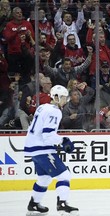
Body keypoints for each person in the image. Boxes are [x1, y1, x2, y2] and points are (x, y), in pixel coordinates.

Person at [24, 85, 79, 215]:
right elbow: (47, 135)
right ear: (55, 97)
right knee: (64, 176)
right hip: (42, 148)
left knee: (44, 178)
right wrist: (63, 141)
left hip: (32, 147)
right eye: (64, 98)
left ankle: (34, 204)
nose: (65, 101)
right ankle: (62, 205)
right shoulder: (55, 111)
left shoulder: (42, 107)